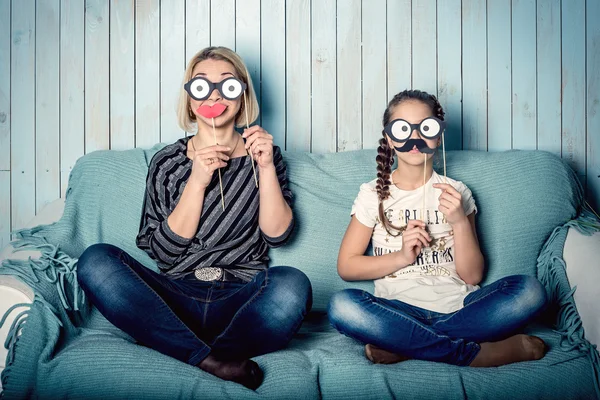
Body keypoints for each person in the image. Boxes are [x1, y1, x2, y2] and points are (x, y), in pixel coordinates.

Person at [77, 46, 312, 390]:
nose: (214, 95)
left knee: (293, 285)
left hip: (240, 297)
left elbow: (278, 235)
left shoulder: (265, 153)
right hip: (176, 295)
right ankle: (210, 360)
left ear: (242, 96)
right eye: (202, 86)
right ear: (190, 100)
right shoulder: (167, 162)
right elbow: (164, 253)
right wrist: (197, 181)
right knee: (96, 261)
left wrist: (264, 167)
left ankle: (179, 348)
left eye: (227, 85)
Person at [328, 89, 547, 367]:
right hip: (398, 311)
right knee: (342, 306)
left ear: (438, 135)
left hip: (460, 308)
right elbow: (347, 266)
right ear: (389, 139)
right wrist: (402, 257)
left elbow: (472, 275)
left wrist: (458, 221)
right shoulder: (373, 195)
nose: (415, 139)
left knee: (530, 291)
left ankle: (406, 346)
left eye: (426, 128)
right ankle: (474, 354)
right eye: (403, 129)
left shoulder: (457, 192)